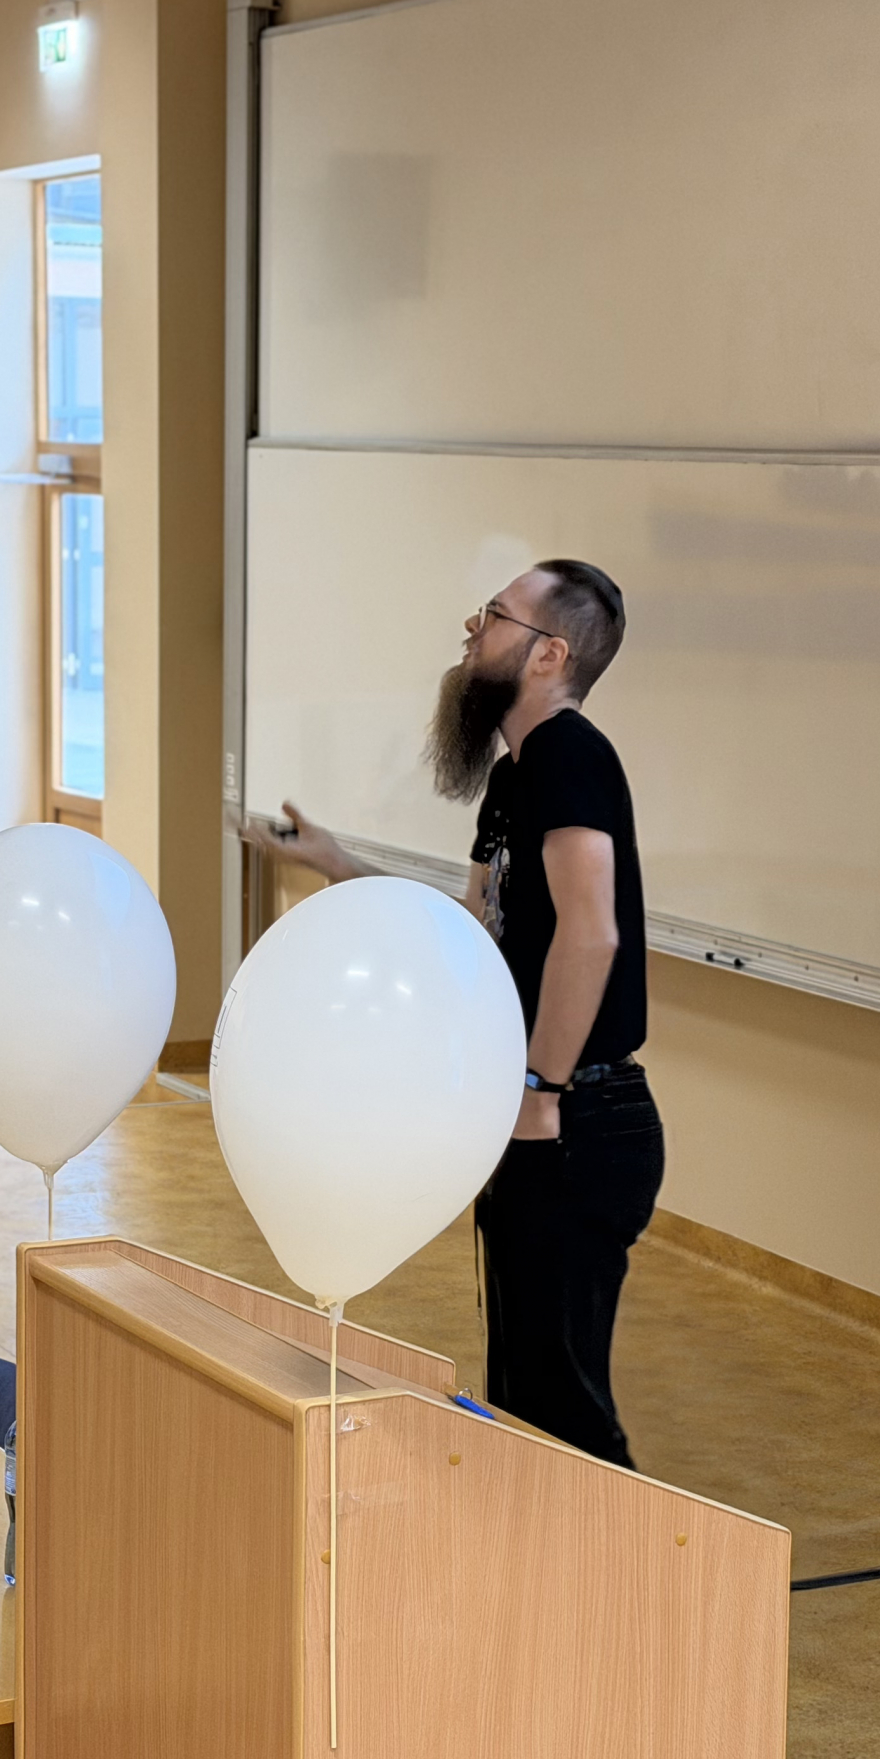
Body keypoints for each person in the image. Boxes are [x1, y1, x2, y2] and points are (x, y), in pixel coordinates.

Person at [249, 562, 656, 1466]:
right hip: (538, 1115)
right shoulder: (514, 777)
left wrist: (540, 1090)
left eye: (496, 616)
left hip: (581, 1120)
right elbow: (474, 929)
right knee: (524, 1398)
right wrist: (336, 863)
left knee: (564, 1411)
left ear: (550, 654)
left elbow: (591, 933)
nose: (472, 629)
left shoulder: (570, 756)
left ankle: (632, 1557)